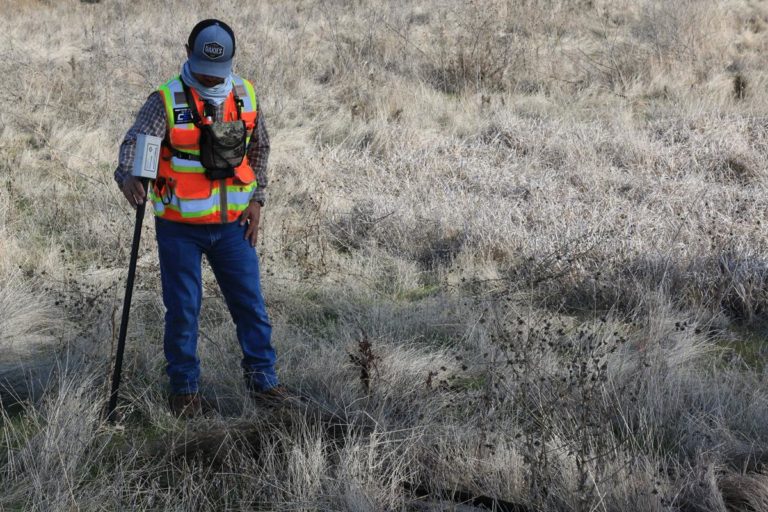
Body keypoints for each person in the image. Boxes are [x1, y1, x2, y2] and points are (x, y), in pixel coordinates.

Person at [114, 19, 286, 417]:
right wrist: (128, 176)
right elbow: (132, 145)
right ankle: (185, 391)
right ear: (188, 53)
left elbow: (259, 147)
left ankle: (264, 383)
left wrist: (257, 200)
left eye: (219, 70)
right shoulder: (165, 100)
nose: (211, 77)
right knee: (183, 309)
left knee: (251, 306)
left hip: (232, 226)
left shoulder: (245, 94)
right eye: (204, 68)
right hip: (179, 228)